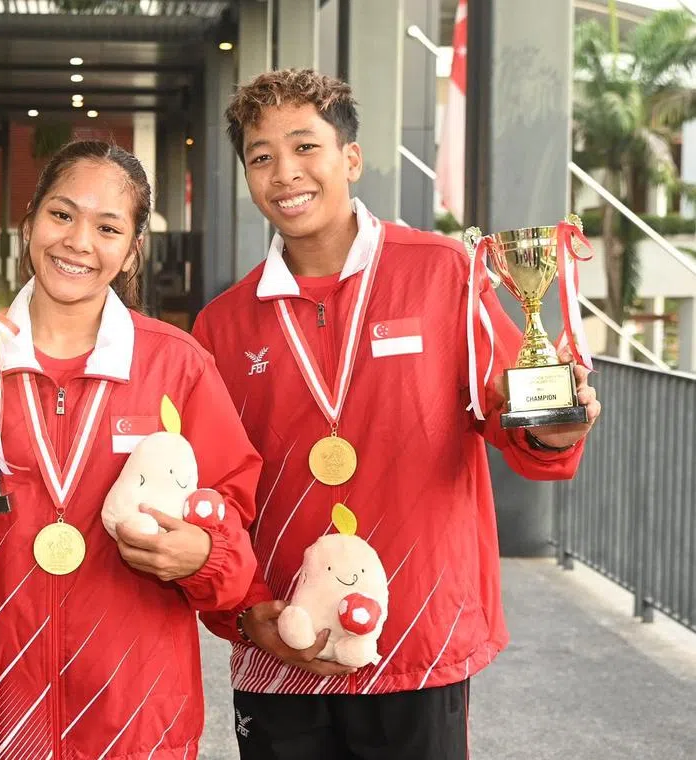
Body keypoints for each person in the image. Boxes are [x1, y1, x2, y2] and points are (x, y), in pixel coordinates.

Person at [191, 69, 602, 759]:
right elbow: (214, 498)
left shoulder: (444, 273)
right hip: (282, 643)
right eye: (261, 157)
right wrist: (244, 611)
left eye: (305, 147)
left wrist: (554, 428)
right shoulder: (223, 325)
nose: (285, 172)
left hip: (420, 643)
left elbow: (521, 425)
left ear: (350, 159)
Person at [0, 140, 263, 759]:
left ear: (133, 248)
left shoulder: (177, 366)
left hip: (136, 718)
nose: (79, 242)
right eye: (62, 215)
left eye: (108, 226)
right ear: (28, 223)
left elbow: (235, 551)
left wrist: (204, 555)